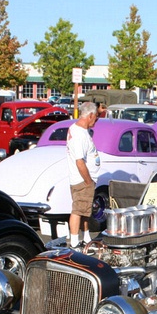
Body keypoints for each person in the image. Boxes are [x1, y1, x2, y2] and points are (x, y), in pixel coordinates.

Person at [66, 101, 101, 247]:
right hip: (82, 179)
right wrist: (88, 181)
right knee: (77, 210)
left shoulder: (80, 130)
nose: (96, 120)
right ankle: (74, 242)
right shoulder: (79, 134)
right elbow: (79, 161)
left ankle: (86, 237)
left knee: (85, 210)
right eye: (96, 117)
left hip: (85, 179)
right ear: (90, 115)